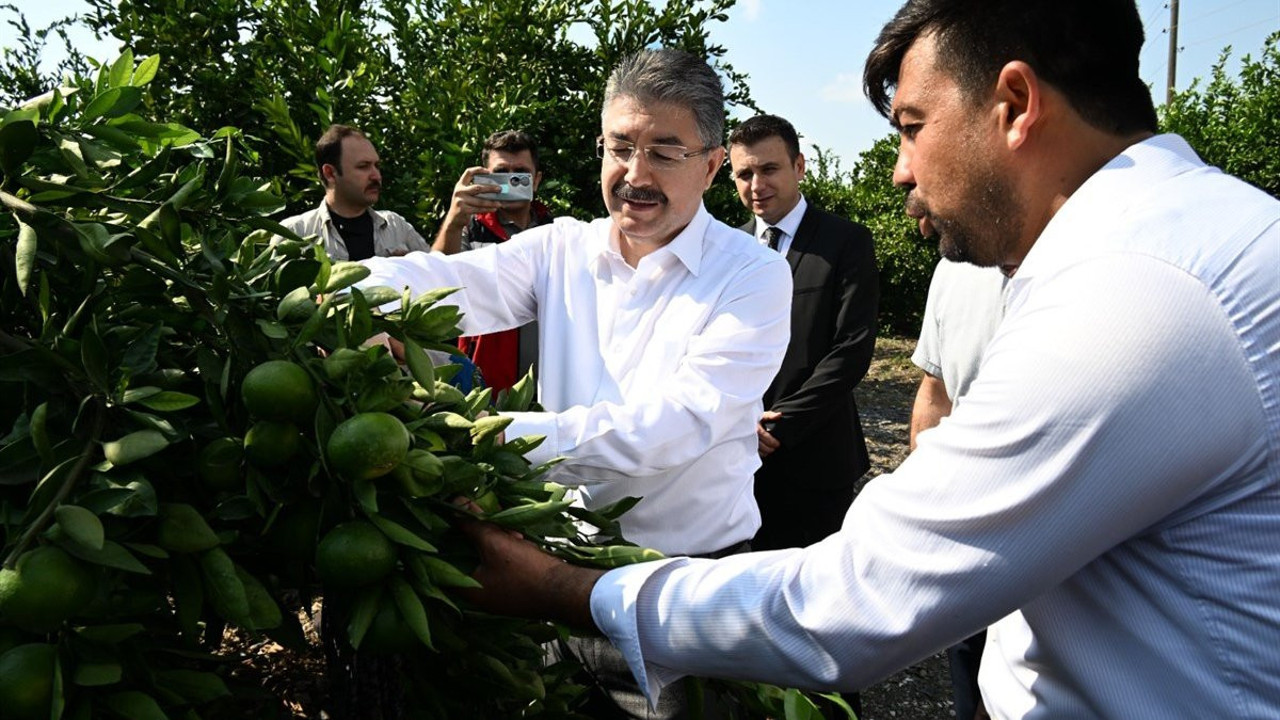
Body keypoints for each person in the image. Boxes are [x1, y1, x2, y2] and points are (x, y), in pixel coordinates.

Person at [456, 2, 1280, 719]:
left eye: (914, 127)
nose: (899, 171)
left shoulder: (1137, 290)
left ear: (1016, 104)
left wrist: (564, 590)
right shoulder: (1175, 238)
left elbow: (857, 602)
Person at [356, 48, 792, 718]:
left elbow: (675, 425)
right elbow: (449, 281)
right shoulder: (562, 249)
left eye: (664, 152)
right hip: (545, 569)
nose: (634, 175)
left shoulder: (751, 276)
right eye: (619, 147)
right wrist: (335, 292)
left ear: (709, 166)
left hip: (678, 581)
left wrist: (486, 438)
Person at [727, 114, 879, 551]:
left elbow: (851, 349)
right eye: (744, 173)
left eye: (769, 169)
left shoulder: (846, 242)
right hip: (734, 460)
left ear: (799, 167)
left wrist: (781, 426)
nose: (756, 184)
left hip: (815, 458)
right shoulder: (727, 247)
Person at [908, 258, 1007, 720]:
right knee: (968, 667)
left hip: (1064, 540)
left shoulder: (1097, 260)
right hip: (967, 523)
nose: (901, 179)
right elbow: (935, 390)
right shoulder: (952, 269)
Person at [432, 130, 554, 392]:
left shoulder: (554, 233)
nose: (510, 180)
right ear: (484, 177)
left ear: (536, 181)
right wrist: (453, 223)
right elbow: (435, 286)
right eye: (501, 172)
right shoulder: (469, 229)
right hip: (484, 384)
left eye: (520, 172)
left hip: (549, 380)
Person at [279, 124, 430, 261]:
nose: (376, 175)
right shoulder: (294, 234)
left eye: (377, 166)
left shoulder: (396, 227)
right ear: (330, 173)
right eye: (363, 166)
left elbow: (437, 272)